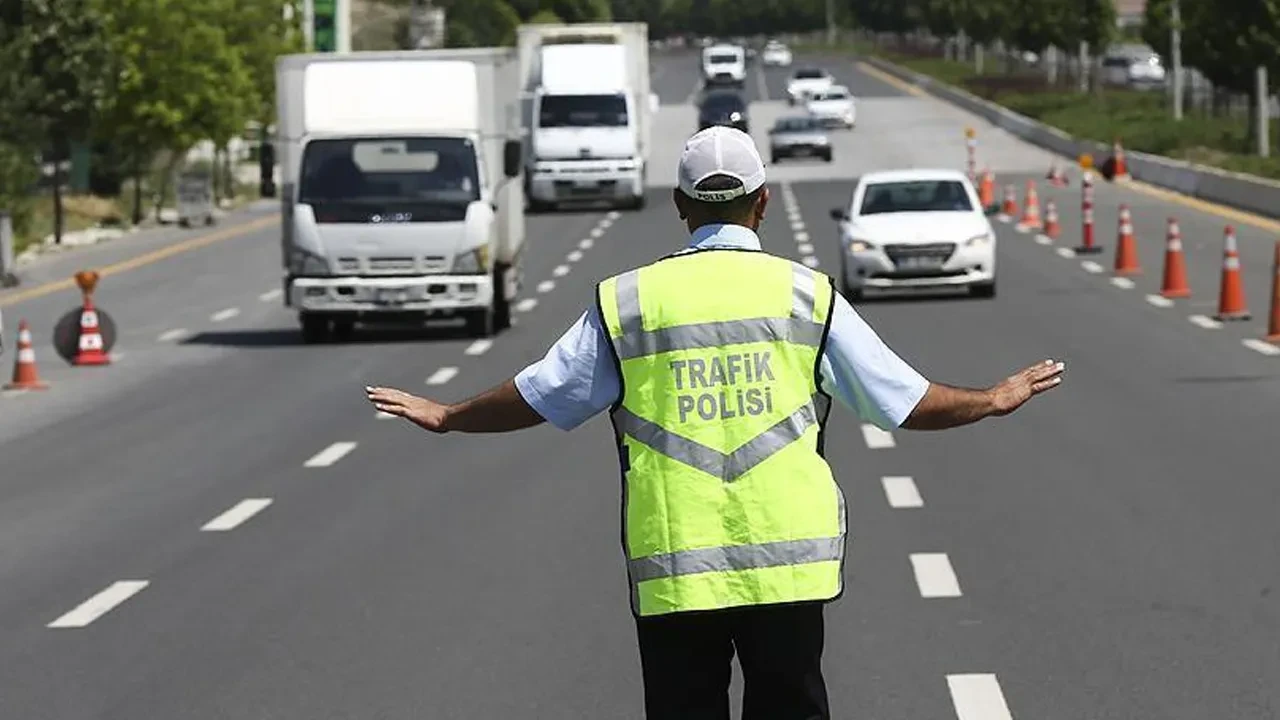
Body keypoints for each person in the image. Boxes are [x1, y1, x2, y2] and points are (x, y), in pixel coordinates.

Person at [366, 126, 1065, 719]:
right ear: (762, 203)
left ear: (681, 206)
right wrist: (991, 398)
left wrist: (449, 415)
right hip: (789, 568)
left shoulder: (629, 302)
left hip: (676, 565)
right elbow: (902, 401)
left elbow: (543, 394)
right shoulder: (805, 295)